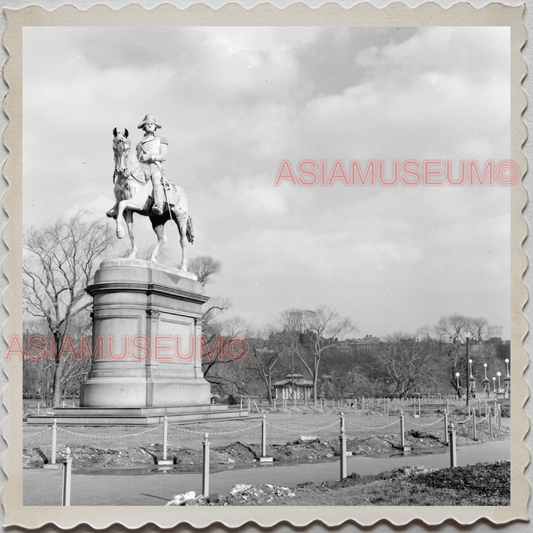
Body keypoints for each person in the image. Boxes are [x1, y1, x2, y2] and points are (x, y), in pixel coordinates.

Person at [136, 114, 167, 215]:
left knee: (155, 179)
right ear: (144, 127)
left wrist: (150, 157)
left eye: (151, 123)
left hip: (155, 166)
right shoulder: (139, 144)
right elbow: (138, 158)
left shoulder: (160, 140)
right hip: (143, 167)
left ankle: (159, 205)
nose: (149, 125)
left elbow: (163, 156)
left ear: (155, 127)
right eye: (147, 123)